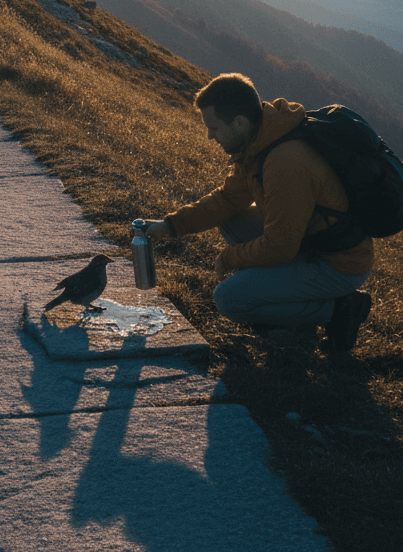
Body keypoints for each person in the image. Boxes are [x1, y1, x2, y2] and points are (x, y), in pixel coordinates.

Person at [144, 73, 374, 350]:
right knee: (230, 217)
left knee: (229, 299)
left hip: (338, 263)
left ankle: (340, 309)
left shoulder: (284, 161)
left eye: (214, 128)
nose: (209, 136)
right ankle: (287, 297)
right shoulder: (259, 141)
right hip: (308, 241)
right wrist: (170, 225)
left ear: (240, 123)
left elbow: (280, 247)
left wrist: (230, 257)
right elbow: (228, 199)